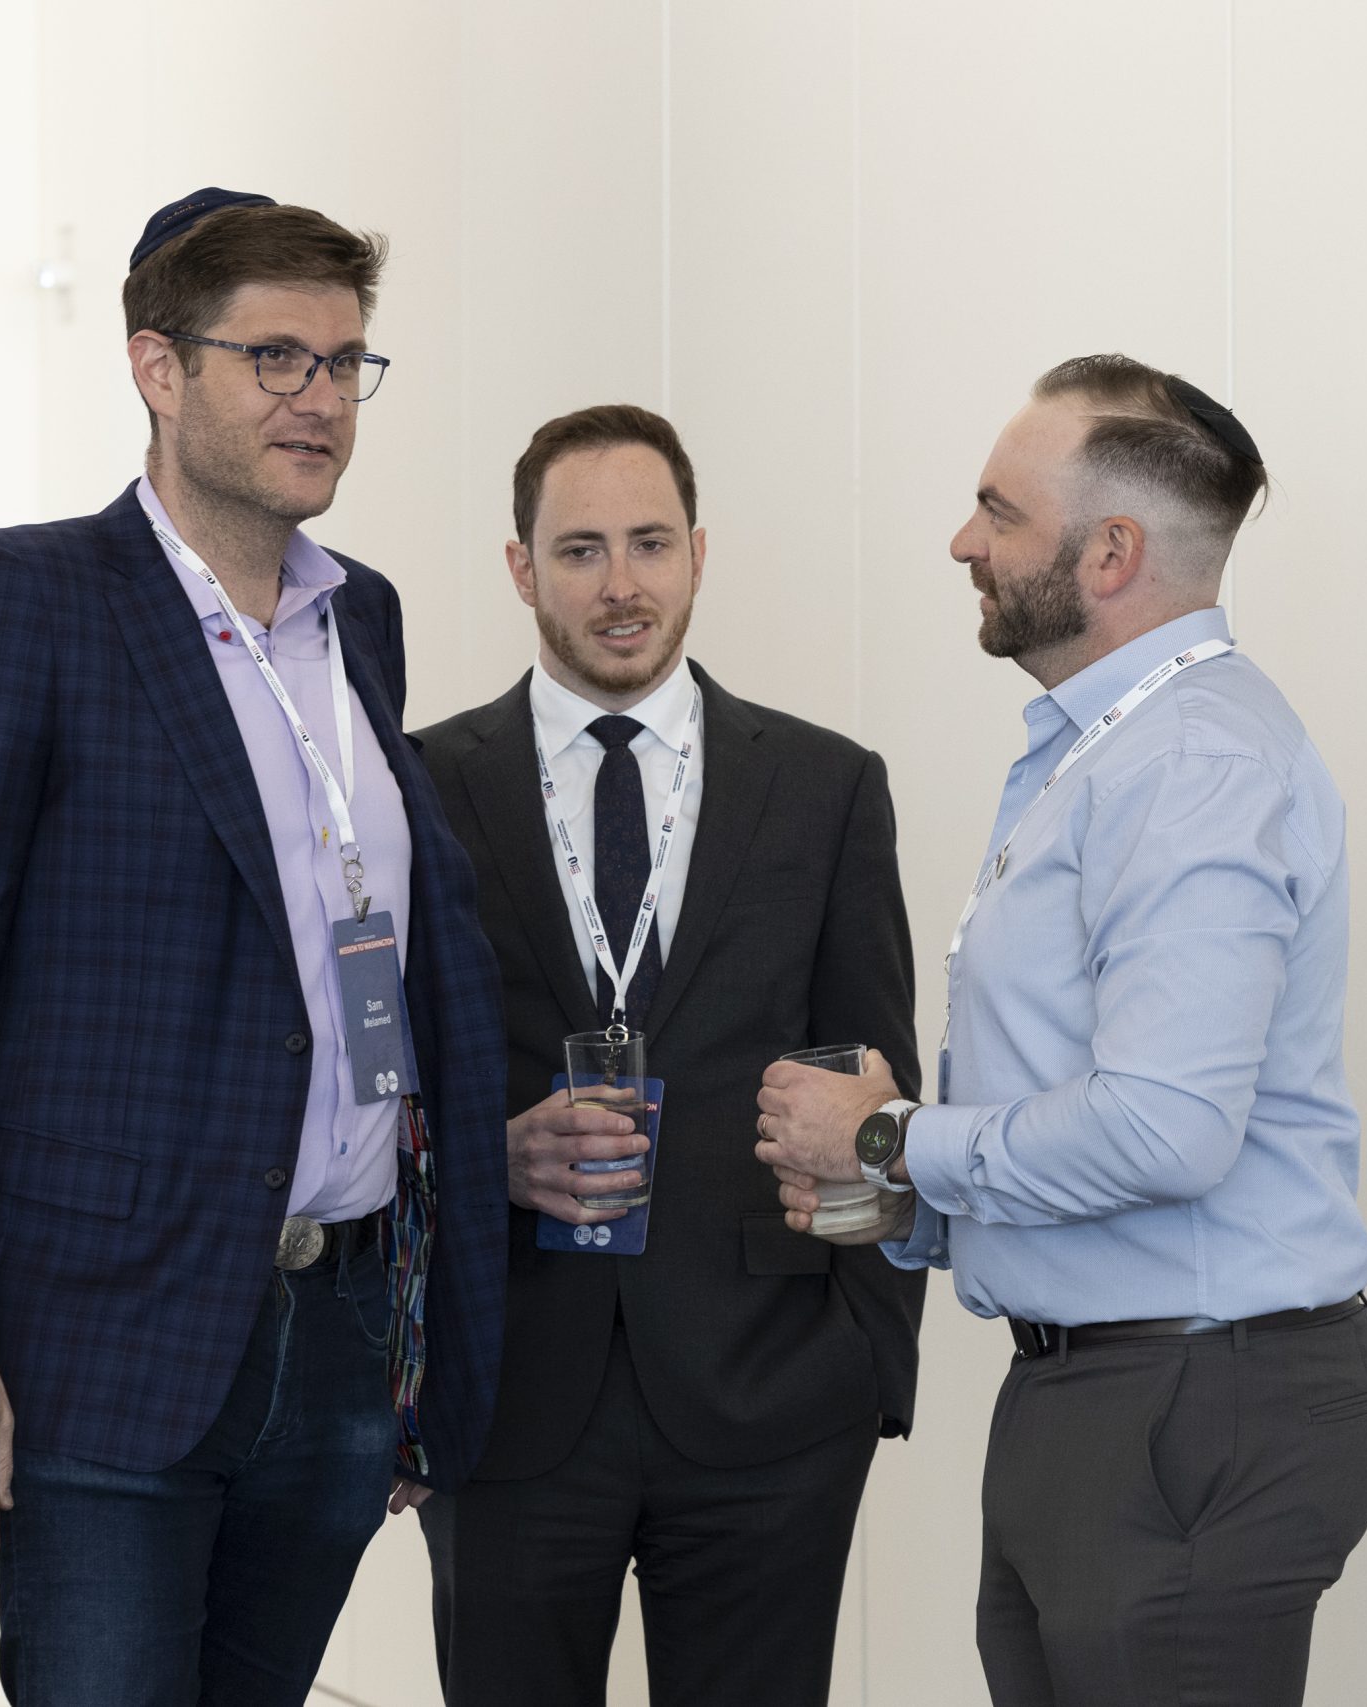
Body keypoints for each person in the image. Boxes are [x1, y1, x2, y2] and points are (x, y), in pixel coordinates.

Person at [0, 189, 509, 1705]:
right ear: (158, 368)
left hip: (339, 1329)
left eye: (345, 363)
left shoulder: (362, 620)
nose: (319, 399)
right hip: (109, 1335)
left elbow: (357, 953)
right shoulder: (21, 599)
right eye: (274, 357)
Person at [757, 355, 1367, 1705]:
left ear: (1110, 553)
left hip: (1187, 1404)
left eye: (998, 511)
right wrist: (912, 1198)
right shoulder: (1116, 748)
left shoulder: (1188, 763)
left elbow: (1165, 1130)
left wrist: (888, 1136)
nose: (962, 541)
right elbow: (1095, 1101)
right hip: (1116, 1394)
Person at [412, 406, 925, 1704]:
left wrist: (868, 1367)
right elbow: (376, 1088)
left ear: (698, 552)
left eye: (650, 543)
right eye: (579, 550)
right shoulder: (419, 788)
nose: (621, 585)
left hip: (772, 1402)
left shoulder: (824, 785)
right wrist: (485, 1160)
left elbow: (879, 1080)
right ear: (521, 568)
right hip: (509, 1396)